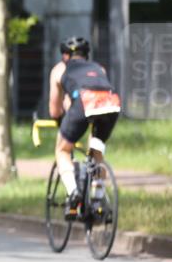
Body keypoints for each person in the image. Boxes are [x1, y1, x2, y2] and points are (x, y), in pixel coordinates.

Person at [48, 36, 121, 213]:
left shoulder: (60, 68)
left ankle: (73, 193)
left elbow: (55, 110)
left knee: (62, 150)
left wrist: (61, 123)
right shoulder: (99, 67)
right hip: (111, 102)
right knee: (96, 151)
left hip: (84, 102)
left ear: (65, 55)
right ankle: (97, 198)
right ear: (86, 55)